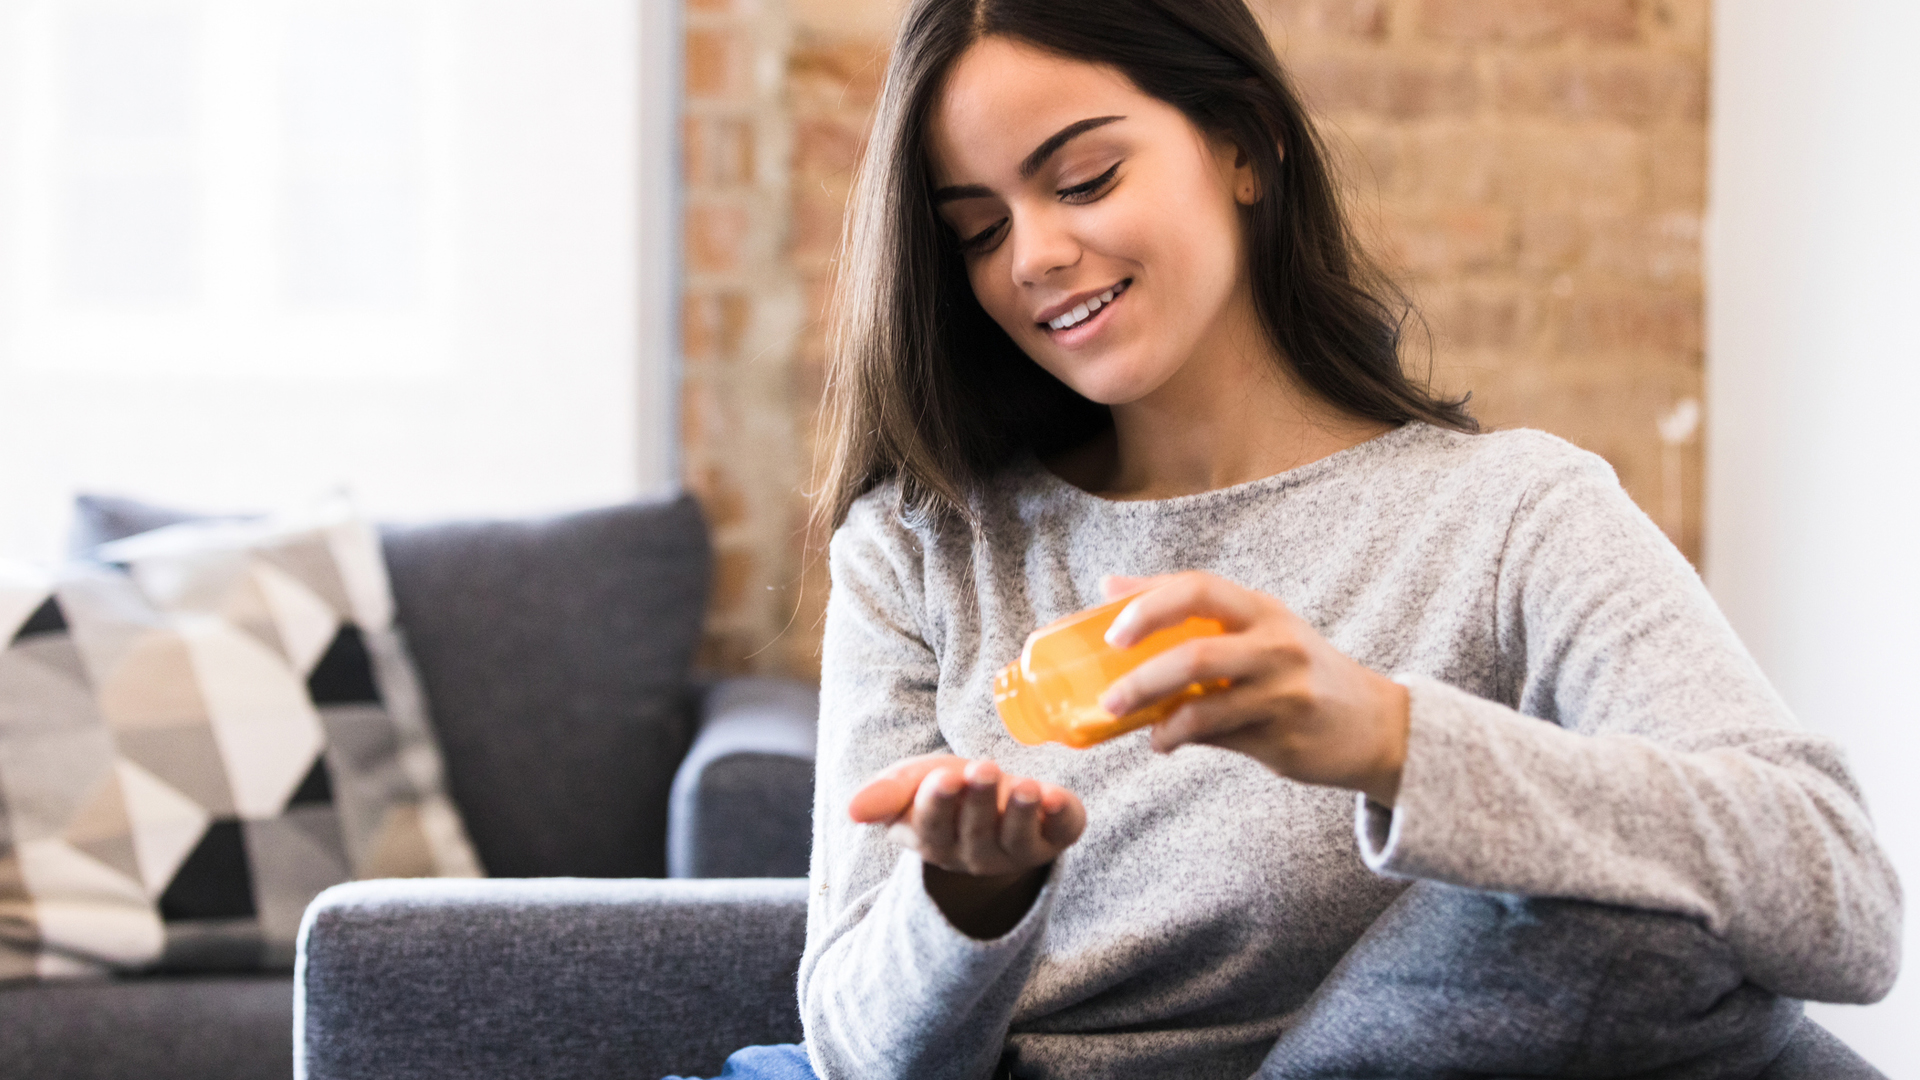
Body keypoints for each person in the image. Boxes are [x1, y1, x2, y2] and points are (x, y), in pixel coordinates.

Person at [670, 1, 1902, 1077]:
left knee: (1629, 916)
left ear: (1243, 146)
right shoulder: (924, 550)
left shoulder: (1514, 513)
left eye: (1085, 179)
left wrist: (1385, 737)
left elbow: (1841, 899)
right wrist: (968, 897)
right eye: (979, 230)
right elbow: (853, 1052)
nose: (1035, 257)